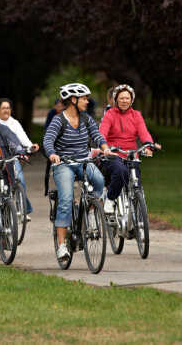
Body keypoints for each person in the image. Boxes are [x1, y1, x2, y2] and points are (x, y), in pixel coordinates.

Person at [43, 83, 113, 261]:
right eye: (83, 98)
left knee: (98, 181)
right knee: (66, 200)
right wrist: (52, 154)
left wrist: (104, 148)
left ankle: (89, 210)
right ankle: (61, 246)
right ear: (73, 100)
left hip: (83, 160)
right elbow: (48, 139)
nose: (87, 101)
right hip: (64, 164)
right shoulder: (59, 120)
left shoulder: (86, 119)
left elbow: (96, 135)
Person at [99, 84, 161, 214]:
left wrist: (149, 145)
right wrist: (105, 147)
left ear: (131, 100)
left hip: (131, 155)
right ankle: (110, 199)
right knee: (120, 171)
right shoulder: (109, 114)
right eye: (121, 98)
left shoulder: (136, 115)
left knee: (135, 182)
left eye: (127, 98)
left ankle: (135, 218)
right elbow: (102, 133)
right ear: (116, 99)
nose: (124, 101)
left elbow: (143, 133)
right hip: (112, 155)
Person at [0, 98, 39, 220]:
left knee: (20, 180)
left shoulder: (14, 123)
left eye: (8, 108)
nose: (6, 110)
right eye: (3, 108)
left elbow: (22, 137)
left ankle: (22, 210)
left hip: (12, 157)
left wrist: (31, 146)